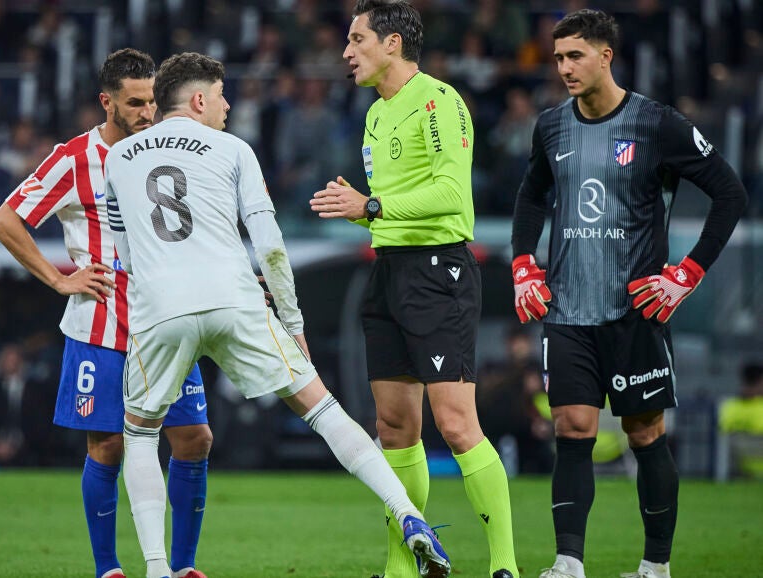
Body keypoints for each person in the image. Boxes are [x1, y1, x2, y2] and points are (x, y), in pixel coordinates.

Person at [104, 51, 449, 578]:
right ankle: (408, 514)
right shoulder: (234, 149)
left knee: (141, 434)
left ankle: (155, 567)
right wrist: (294, 324)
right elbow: (269, 248)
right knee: (323, 409)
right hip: (234, 297)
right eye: (221, 97)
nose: (227, 107)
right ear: (198, 100)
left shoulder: (118, 158)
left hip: (160, 307)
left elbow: (126, 254)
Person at [510, 10, 748, 578]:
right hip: (567, 309)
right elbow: (531, 196)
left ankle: (655, 566)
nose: (564, 67)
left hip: (634, 311)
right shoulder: (551, 126)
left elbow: (730, 193)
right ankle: (568, 562)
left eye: (575, 55)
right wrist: (523, 264)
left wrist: (686, 273)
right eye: (558, 57)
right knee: (572, 429)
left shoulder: (656, 124)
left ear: (605, 56)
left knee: (645, 434)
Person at [310, 2, 518, 577]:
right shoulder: (376, 115)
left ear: (392, 43)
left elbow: (452, 193)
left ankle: (505, 565)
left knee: (455, 424)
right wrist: (360, 211)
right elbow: (392, 212)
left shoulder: (439, 101)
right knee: (395, 428)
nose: (346, 52)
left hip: (438, 271)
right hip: (388, 271)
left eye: (357, 40)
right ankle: (403, 568)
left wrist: (372, 205)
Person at [0, 49, 213, 578]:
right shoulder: (74, 159)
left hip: (166, 323)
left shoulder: (167, 148)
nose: (147, 112)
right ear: (106, 102)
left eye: (152, 101)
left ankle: (183, 567)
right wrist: (58, 279)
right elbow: (6, 220)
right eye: (134, 103)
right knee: (109, 446)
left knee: (194, 438)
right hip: (101, 327)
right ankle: (108, 569)